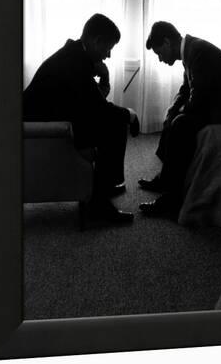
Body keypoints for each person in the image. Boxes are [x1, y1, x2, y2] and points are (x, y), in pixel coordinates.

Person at [24, 13, 140, 223]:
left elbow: (90, 103)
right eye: (108, 48)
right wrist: (130, 115)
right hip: (46, 130)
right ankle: (99, 206)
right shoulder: (75, 63)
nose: (109, 55)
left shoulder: (75, 56)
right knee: (115, 123)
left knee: (112, 120)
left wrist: (104, 79)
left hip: (54, 120)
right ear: (97, 41)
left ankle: (105, 187)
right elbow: (99, 109)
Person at [139, 21, 221, 217]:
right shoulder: (191, 50)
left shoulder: (197, 51)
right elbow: (187, 89)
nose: (159, 59)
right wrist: (172, 110)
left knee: (181, 124)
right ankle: (165, 179)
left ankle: (172, 200)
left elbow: (199, 96)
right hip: (218, 100)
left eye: (159, 53)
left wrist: (179, 114)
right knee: (174, 117)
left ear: (167, 43)